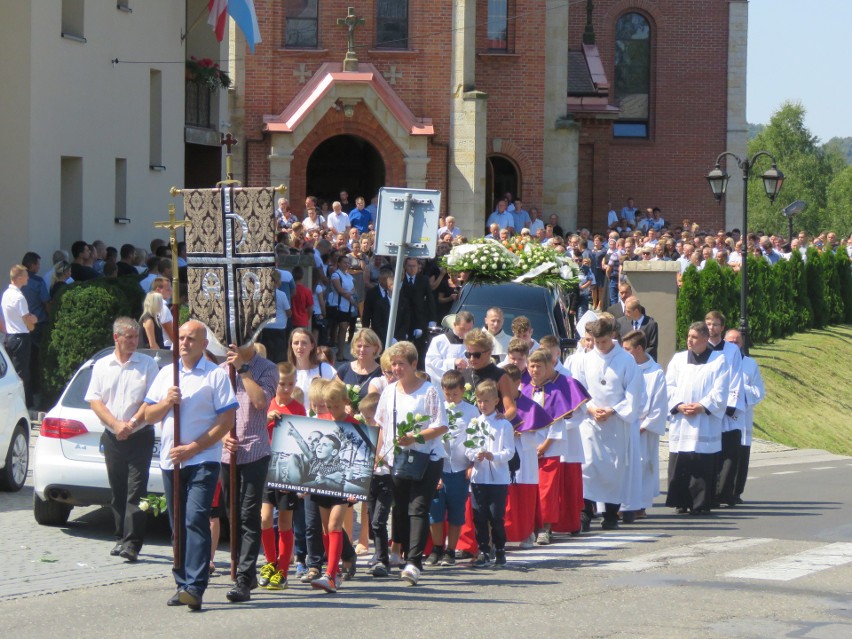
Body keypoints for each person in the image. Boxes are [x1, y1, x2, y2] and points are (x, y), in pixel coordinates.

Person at [144, 320, 238, 611]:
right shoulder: (165, 375)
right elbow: (149, 414)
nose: (184, 343)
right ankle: (182, 582)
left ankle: (196, 586)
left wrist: (194, 447)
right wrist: (166, 402)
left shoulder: (215, 376)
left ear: (204, 344)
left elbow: (226, 420)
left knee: (195, 519)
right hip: (172, 461)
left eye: (191, 338)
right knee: (177, 525)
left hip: (202, 460)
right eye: (181, 338)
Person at [85, 317, 159, 562]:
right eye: (129, 337)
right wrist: (116, 425)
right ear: (116, 337)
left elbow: (151, 399)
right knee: (118, 490)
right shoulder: (102, 365)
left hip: (140, 435)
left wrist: (132, 424)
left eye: (136, 337)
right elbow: (95, 401)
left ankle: (132, 544)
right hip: (113, 436)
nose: (134, 342)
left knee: (136, 491)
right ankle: (120, 536)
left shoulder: (147, 364)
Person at [374, 341, 448, 586]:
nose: (396, 368)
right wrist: (380, 454)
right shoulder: (389, 391)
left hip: (427, 457)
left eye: (401, 364)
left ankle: (414, 562)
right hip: (398, 458)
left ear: (414, 364)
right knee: (400, 506)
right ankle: (400, 552)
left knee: (418, 507)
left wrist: (415, 438)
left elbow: (441, 426)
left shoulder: (429, 390)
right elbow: (382, 425)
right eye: (393, 364)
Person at [218, 340, 278, 603]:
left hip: (255, 451)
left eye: (240, 340)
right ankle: (247, 571)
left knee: (248, 514)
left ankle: (243, 578)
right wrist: (221, 437)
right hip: (227, 454)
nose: (233, 345)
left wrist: (243, 371)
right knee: (232, 514)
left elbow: (260, 401)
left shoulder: (266, 368)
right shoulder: (221, 370)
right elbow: (213, 412)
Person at [572, 316, 644, 530]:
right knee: (588, 466)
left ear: (612, 336)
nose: (599, 346)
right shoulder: (584, 359)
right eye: (596, 342)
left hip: (615, 422)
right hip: (590, 421)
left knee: (614, 468)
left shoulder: (626, 360)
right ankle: (585, 511)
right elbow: (578, 389)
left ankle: (611, 514)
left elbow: (633, 392)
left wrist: (613, 410)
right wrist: (591, 408)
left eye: (603, 341)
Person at [665, 321, 729, 515]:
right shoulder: (678, 359)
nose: (689, 341)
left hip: (704, 421)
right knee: (681, 460)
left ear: (704, 339)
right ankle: (681, 501)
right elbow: (669, 386)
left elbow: (720, 390)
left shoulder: (718, 360)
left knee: (702, 462)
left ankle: (700, 503)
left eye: (694, 337)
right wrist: (679, 405)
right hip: (682, 420)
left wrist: (702, 406)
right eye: (688, 336)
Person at [258, 362, 306, 591]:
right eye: (281, 384)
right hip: (267, 465)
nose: (286, 389)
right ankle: (269, 562)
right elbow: (255, 428)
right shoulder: (267, 404)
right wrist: (267, 418)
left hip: (288, 469)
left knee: (285, 523)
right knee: (265, 518)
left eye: (290, 384)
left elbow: (302, 441)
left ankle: (283, 571)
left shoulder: (298, 408)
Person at [426, 370, 479, 566]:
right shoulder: (436, 410)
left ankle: (451, 550)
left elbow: (475, 438)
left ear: (462, 391)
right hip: (439, 469)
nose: (451, 398)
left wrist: (472, 463)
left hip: (459, 469)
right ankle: (438, 548)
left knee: (456, 512)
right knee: (436, 511)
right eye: (447, 394)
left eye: (455, 394)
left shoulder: (471, 411)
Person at [466, 380, 515, 567]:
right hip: (479, 477)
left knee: (496, 516)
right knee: (479, 515)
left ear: (496, 401)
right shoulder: (475, 423)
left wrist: (492, 455)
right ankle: (483, 550)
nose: (482, 405)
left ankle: (500, 548)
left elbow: (509, 452)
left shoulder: (504, 425)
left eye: (486, 401)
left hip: (498, 479)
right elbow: (468, 449)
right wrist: (475, 455)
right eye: (479, 401)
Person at [620, 330, 668, 518]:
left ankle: (640, 505)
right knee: (624, 466)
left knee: (643, 465)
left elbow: (659, 405)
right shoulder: (624, 366)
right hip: (625, 424)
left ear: (639, 349)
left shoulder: (655, 372)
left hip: (643, 428)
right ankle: (622, 504)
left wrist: (644, 425)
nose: (623, 353)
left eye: (627, 349)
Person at [705, 310, 745, 508]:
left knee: (728, 451)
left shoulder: (732, 350)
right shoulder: (701, 349)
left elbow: (736, 378)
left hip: (727, 409)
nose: (711, 328)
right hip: (708, 407)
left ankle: (724, 492)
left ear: (722, 327)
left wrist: (728, 406)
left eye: (715, 324)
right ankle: (709, 492)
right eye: (708, 324)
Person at [724, 329, 765, 505]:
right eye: (730, 342)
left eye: (737, 342)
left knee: (740, 456)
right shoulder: (719, 362)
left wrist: (740, 389)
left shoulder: (750, 364)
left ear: (741, 344)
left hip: (742, 418)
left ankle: (735, 492)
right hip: (723, 418)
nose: (733, 345)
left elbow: (758, 392)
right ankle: (720, 491)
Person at [360, 392, 394, 576]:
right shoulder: (366, 434)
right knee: (372, 520)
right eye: (365, 419)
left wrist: (383, 458)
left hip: (385, 480)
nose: (369, 423)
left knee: (378, 521)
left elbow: (392, 458)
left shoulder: (387, 435)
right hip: (370, 480)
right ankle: (379, 554)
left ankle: (383, 560)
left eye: (370, 418)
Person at [463, 329, 517, 422]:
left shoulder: (500, 375)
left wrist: (502, 419)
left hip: (490, 427)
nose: (472, 359)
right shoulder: (463, 375)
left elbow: (511, 409)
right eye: (468, 354)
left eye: (476, 355)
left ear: (489, 352)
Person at [2, 265, 37, 404]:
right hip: (21, 337)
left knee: (14, 372)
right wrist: (33, 321)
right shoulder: (19, 297)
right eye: (26, 275)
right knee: (22, 374)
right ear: (19, 278)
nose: (28, 277)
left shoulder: (6, 294)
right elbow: (28, 321)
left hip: (10, 337)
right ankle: (22, 404)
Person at [400, 257, 437, 366]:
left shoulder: (423, 280)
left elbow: (430, 299)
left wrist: (432, 319)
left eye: (414, 266)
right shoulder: (400, 280)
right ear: (405, 267)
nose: (412, 269)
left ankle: (419, 370)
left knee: (420, 349)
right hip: (403, 320)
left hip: (419, 319)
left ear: (418, 267)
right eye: (410, 266)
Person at [424, 310, 474, 385]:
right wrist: (453, 363)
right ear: (455, 324)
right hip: (444, 388)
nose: (466, 333)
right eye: (462, 329)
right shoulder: (439, 341)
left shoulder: (474, 342)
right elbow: (430, 363)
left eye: (469, 329)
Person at [289, 328, 336, 402]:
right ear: (291, 346)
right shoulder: (286, 372)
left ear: (312, 346)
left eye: (304, 343)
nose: (299, 347)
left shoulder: (324, 369)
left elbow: (339, 393)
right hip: (292, 413)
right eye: (296, 343)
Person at [327, 254, 357, 360]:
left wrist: (349, 295)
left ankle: (340, 353)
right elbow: (340, 290)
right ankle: (338, 353)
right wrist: (351, 298)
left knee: (344, 329)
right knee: (341, 328)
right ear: (339, 263)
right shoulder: (336, 275)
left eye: (348, 262)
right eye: (344, 262)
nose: (347, 264)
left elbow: (353, 289)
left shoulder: (348, 276)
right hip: (338, 306)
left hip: (347, 306)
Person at [616, 297, 659, 362]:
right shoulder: (622, 323)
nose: (626, 314)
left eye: (628, 312)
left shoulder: (651, 324)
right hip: (626, 362)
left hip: (644, 363)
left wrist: (638, 356)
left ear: (636, 311)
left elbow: (652, 346)